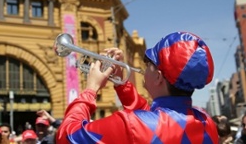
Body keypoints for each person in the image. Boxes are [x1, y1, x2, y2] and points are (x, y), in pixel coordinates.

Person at [56, 31, 219, 143]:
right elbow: (153, 116)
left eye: (148, 63)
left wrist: (90, 89)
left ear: (158, 77)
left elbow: (67, 136)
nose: (143, 67)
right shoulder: (207, 121)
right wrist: (121, 82)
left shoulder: (131, 124)